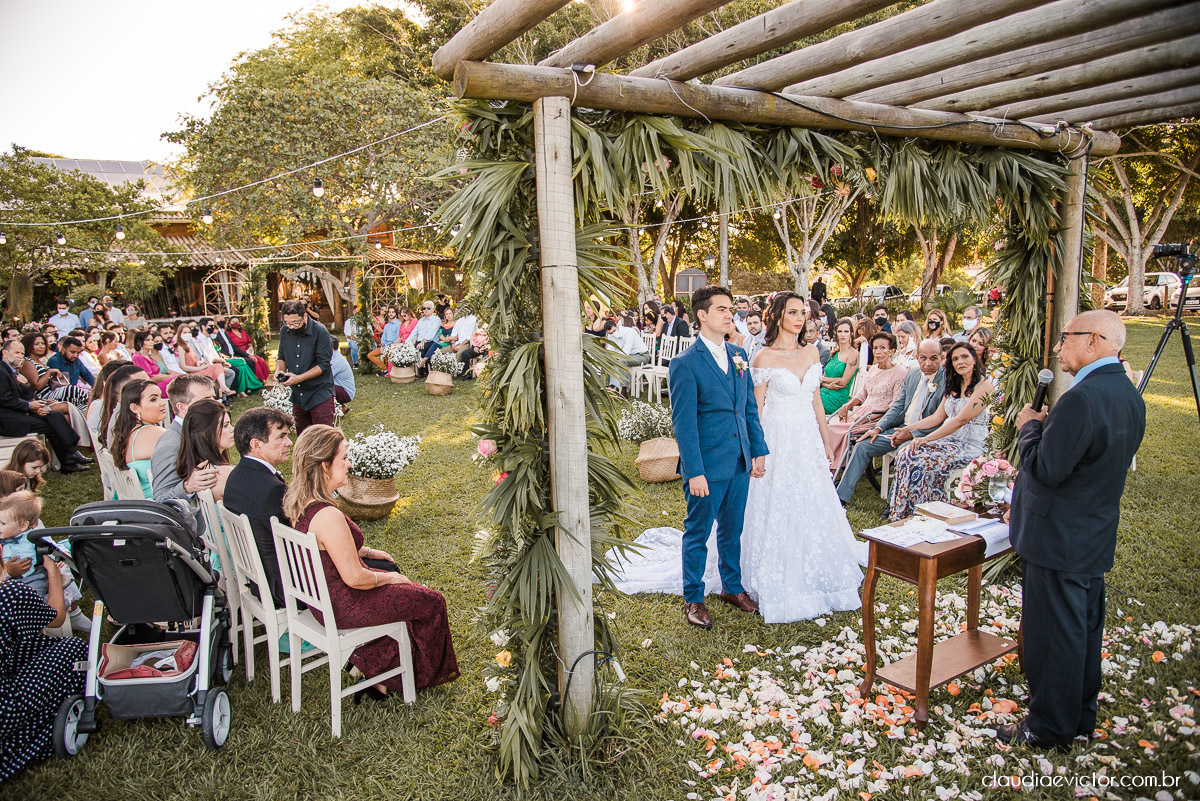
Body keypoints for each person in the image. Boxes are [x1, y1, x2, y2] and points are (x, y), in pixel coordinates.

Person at [996, 310, 1145, 750]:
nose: (1059, 347)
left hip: (1058, 536)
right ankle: (1079, 714)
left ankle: (1048, 726)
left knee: (1052, 634)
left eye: (1066, 337)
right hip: (1091, 531)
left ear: (1095, 341)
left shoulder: (1081, 399)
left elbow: (1045, 467)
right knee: (1081, 630)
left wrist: (1029, 429)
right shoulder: (1126, 392)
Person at [284, 425, 460, 694]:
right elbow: (355, 578)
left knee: (407, 591)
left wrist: (367, 553)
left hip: (325, 603)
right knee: (432, 601)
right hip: (346, 604)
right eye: (343, 458)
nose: (349, 463)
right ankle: (419, 676)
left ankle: (381, 671)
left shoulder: (300, 503)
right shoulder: (327, 516)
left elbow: (329, 552)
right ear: (324, 466)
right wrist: (391, 578)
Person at [739, 292, 864, 622]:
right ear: (778, 316)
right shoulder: (764, 357)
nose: (800, 318)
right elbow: (757, 408)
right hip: (776, 437)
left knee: (811, 499)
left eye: (804, 313)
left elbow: (817, 402)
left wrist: (826, 442)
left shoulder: (812, 352)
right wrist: (757, 449)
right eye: (793, 312)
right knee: (775, 499)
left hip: (806, 436)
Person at [667, 286, 767, 629]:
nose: (730, 315)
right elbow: (684, 423)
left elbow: (749, 409)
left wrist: (758, 451)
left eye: (731, 310)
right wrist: (694, 471)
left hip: (739, 460)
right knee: (697, 532)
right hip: (706, 467)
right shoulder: (685, 363)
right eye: (722, 309)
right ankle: (693, 597)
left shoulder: (739, 354)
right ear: (702, 315)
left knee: (732, 529)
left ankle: (732, 587)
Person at [886, 342, 993, 520]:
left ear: (974, 359)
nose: (960, 362)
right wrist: (907, 428)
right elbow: (936, 417)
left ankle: (928, 515)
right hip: (950, 442)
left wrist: (926, 439)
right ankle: (902, 512)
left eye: (965, 357)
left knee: (926, 460)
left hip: (971, 445)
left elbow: (961, 420)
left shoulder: (985, 385)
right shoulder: (954, 386)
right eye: (955, 359)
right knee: (906, 452)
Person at [0, 569, 88, 782]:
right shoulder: (10, 595)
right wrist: (53, 574)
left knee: (33, 643)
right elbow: (56, 618)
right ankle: (39, 730)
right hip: (4, 711)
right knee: (74, 649)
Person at [836, 339, 946, 505]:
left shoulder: (946, 379)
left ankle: (894, 503)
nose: (928, 363)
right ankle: (841, 497)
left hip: (926, 433)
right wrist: (879, 428)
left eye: (934, 358)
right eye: (923, 358)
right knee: (863, 445)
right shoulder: (914, 373)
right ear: (916, 357)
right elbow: (898, 405)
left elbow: (939, 419)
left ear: (941, 357)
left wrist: (911, 433)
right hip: (900, 428)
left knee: (904, 452)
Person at [224, 408, 293, 607]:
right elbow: (295, 540)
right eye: (281, 436)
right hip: (282, 586)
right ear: (256, 445)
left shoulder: (236, 476)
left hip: (258, 578)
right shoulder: (272, 489)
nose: (289, 443)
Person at [0, 341, 90, 474]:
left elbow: (24, 396)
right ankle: (69, 458)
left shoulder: (12, 371)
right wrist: (30, 406)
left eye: (22, 353)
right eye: (16, 353)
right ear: (5, 353)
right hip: (9, 419)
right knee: (50, 424)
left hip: (19, 412)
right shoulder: (2, 371)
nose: (20, 356)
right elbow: (5, 400)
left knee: (55, 415)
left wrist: (39, 402)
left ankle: (71, 454)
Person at [826, 331, 906, 466]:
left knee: (835, 430)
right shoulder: (874, 369)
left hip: (878, 417)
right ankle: (829, 466)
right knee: (829, 428)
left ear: (891, 351)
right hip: (861, 413)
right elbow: (862, 395)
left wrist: (869, 418)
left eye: (882, 348)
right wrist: (846, 406)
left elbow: (895, 404)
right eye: (875, 348)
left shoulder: (900, 372)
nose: (878, 352)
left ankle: (835, 468)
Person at [151, 374, 220, 504]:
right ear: (182, 407)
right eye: (206, 400)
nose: (216, 404)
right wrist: (187, 487)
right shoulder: (171, 444)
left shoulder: (199, 431)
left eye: (214, 398)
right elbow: (160, 500)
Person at [275, 299, 335, 434]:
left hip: (319, 391)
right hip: (298, 394)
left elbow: (323, 365)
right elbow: (281, 357)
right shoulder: (285, 331)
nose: (292, 326)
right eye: (288, 323)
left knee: (323, 436)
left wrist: (299, 378)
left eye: (296, 322)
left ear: (305, 316)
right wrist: (279, 371)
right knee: (303, 436)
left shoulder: (320, 331)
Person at [110, 379, 169, 497]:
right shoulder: (153, 433)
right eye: (153, 399)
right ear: (135, 408)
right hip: (160, 504)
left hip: (140, 500)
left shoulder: (127, 433)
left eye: (160, 397)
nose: (162, 402)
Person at [176, 399, 235, 501]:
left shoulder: (196, 467)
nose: (232, 429)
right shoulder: (223, 473)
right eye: (225, 425)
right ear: (204, 433)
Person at [18, 333, 89, 413]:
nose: (41, 346)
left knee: (81, 404)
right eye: (37, 344)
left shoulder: (41, 361)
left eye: (43, 343)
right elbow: (37, 386)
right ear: (28, 345)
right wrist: (49, 372)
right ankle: (94, 401)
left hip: (54, 391)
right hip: (43, 395)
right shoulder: (28, 362)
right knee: (73, 389)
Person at [172, 322, 235, 401]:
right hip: (192, 372)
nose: (187, 334)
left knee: (218, 367)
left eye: (188, 332)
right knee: (217, 368)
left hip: (198, 368)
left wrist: (201, 364)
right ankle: (222, 389)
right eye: (185, 332)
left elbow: (195, 361)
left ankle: (222, 389)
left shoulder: (188, 346)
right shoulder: (180, 348)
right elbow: (183, 367)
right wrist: (201, 368)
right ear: (180, 334)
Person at [819, 318, 859, 414]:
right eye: (840, 331)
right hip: (824, 391)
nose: (843, 334)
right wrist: (827, 385)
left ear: (851, 333)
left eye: (846, 331)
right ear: (836, 333)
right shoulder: (834, 353)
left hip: (837, 398)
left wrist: (821, 379)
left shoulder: (853, 354)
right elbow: (824, 377)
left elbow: (844, 381)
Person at [131, 330, 180, 395]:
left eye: (152, 340)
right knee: (178, 379)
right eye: (148, 340)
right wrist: (170, 376)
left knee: (182, 377)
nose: (151, 342)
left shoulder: (150, 356)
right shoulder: (138, 357)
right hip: (151, 386)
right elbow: (149, 378)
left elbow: (159, 373)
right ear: (139, 342)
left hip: (161, 381)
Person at [225, 316, 270, 381]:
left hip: (248, 351)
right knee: (254, 361)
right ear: (229, 324)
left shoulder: (242, 332)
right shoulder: (228, 333)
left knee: (261, 360)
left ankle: (263, 378)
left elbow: (249, 342)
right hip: (238, 353)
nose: (236, 323)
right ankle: (256, 379)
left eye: (237, 322)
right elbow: (232, 346)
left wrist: (250, 350)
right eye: (234, 322)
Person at [367, 306, 401, 374]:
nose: (391, 314)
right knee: (370, 355)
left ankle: (390, 370)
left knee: (387, 354)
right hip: (385, 346)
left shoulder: (399, 324)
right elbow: (383, 338)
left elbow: (398, 337)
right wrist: (382, 346)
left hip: (393, 346)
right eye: (389, 312)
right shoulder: (387, 325)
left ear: (396, 314)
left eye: (393, 312)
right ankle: (385, 369)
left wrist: (388, 346)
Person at [330, 336, 356, 406]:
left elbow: (324, 378)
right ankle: (342, 406)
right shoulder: (333, 356)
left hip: (346, 392)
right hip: (340, 388)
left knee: (321, 386)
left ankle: (336, 408)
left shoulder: (336, 360)